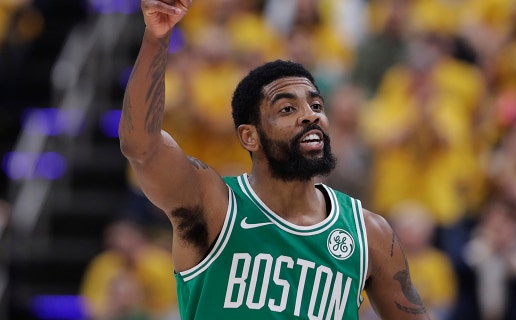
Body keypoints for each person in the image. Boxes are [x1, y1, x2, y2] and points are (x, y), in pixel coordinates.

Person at [118, 1, 430, 319]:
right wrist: (156, 38)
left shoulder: (369, 233)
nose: (310, 116)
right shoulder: (215, 205)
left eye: (317, 106)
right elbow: (141, 147)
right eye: (287, 109)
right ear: (249, 136)